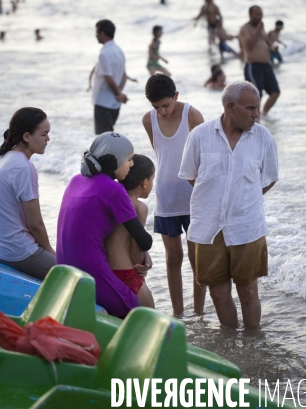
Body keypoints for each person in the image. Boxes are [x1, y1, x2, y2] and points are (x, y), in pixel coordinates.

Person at [178, 81, 279, 328]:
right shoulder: (199, 135)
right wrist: (215, 200)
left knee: (248, 290)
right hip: (209, 227)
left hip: (247, 226)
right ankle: (230, 345)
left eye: (257, 108)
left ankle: (254, 344)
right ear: (230, 107)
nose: (257, 114)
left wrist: (242, 201)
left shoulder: (263, 137)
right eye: (251, 108)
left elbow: (268, 179)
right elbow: (191, 175)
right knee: (218, 292)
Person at [56, 132, 153, 318]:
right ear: (114, 161)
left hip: (63, 266)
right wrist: (146, 252)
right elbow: (144, 240)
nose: (131, 164)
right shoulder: (113, 189)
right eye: (129, 159)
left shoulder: (76, 180)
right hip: (90, 270)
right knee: (139, 315)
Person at [143, 75, 206, 316]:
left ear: (176, 96)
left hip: (193, 197)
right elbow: (162, 155)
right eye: (156, 107)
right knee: (173, 258)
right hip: (166, 197)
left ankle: (199, 313)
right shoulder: (148, 120)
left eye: (166, 105)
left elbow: (205, 158)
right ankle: (178, 314)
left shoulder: (193, 115)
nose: (162, 112)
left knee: (196, 258)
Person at [0, 107, 56, 279]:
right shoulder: (23, 167)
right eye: (44, 134)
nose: (48, 139)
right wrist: (51, 253)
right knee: (80, 278)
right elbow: (35, 224)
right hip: (18, 252)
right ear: (26, 136)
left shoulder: (3, 158)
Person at [105, 154, 156, 308]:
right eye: (153, 179)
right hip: (127, 275)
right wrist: (143, 264)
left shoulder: (111, 198)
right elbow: (135, 252)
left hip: (107, 272)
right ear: (145, 183)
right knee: (151, 320)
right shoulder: (140, 207)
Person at [239, 6, 280, 116]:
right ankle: (254, 119)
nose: (260, 17)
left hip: (266, 64)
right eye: (257, 14)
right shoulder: (245, 28)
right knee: (256, 96)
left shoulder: (261, 27)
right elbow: (249, 45)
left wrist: (272, 47)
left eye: (261, 14)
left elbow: (267, 41)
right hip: (253, 65)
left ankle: (263, 114)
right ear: (250, 15)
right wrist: (257, 30)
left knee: (275, 92)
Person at [90, 19, 128, 134]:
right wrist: (119, 93)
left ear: (103, 33)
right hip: (115, 103)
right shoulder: (119, 50)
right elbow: (124, 75)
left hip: (103, 101)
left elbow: (109, 79)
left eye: (97, 32)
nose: (96, 35)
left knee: (103, 138)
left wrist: (118, 94)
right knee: (109, 136)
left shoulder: (104, 54)